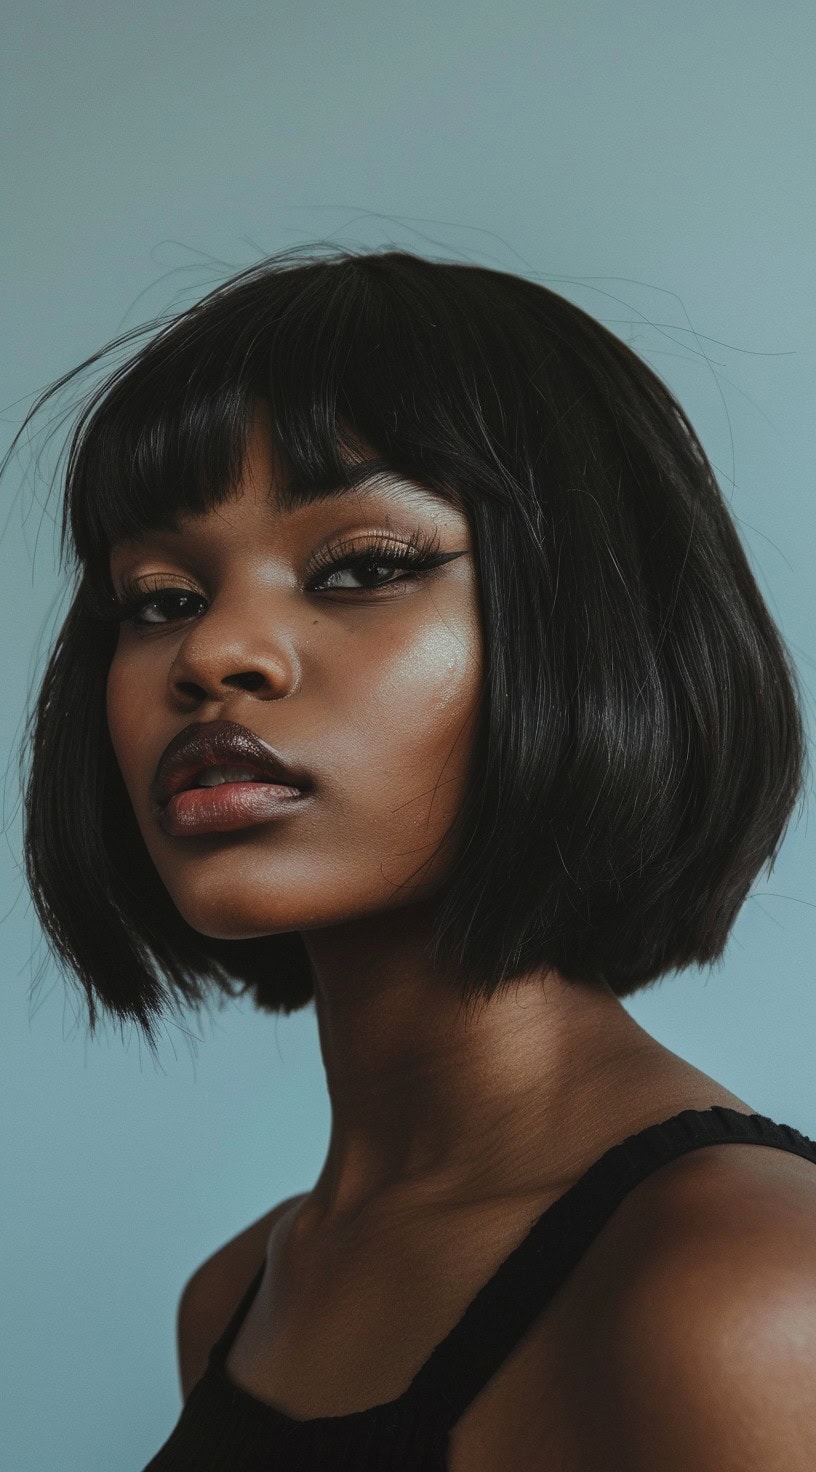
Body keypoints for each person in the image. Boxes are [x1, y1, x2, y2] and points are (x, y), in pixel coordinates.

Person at [9, 247, 816, 1469]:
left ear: (592, 627)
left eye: (365, 568)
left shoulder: (747, 1291)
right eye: (159, 597)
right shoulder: (236, 1296)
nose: (214, 652)